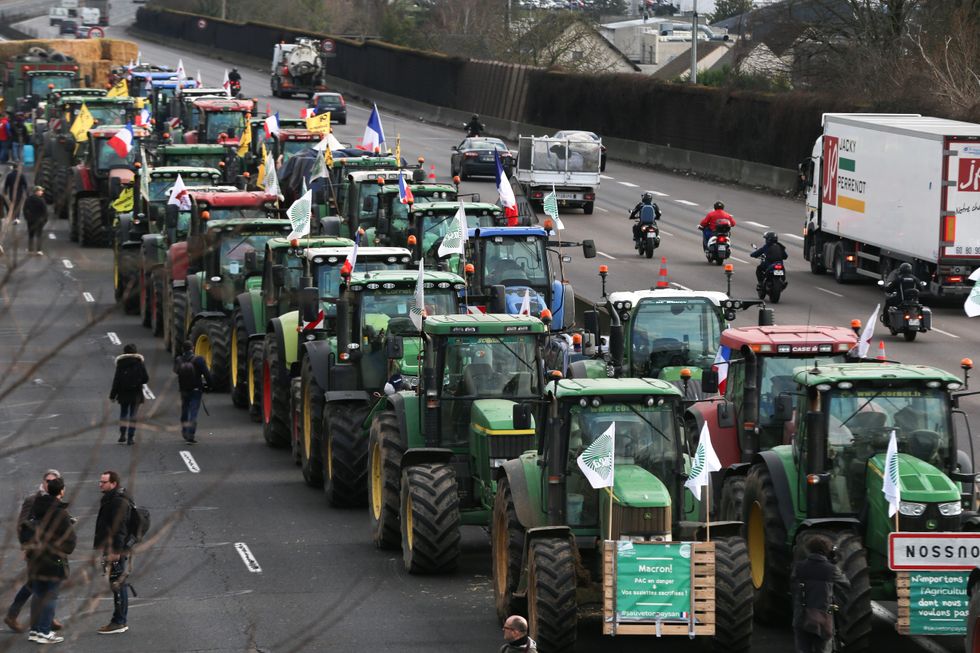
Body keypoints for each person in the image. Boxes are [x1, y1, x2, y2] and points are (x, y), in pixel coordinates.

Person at [5, 470, 63, 634]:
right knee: (36, 584)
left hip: (48, 550)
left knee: (39, 583)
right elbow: (22, 525)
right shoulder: (33, 500)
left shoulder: (55, 497)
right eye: (48, 480)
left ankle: (45, 617)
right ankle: (16, 616)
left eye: (54, 481)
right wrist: (26, 547)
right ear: (43, 481)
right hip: (35, 550)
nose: (50, 483)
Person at [26, 476, 76, 645]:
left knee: (39, 593)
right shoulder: (60, 513)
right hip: (53, 559)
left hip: (35, 557)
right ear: (61, 491)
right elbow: (70, 540)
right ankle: (45, 631)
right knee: (51, 596)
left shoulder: (36, 507)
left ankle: (34, 630)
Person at [791, 534, 849, 653]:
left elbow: (793, 584)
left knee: (802, 648)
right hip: (823, 618)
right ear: (826, 550)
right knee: (823, 649)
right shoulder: (831, 569)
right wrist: (834, 562)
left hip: (801, 617)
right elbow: (846, 583)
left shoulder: (799, 567)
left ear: (809, 549)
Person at [94, 471, 132, 635]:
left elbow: (120, 529)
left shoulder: (117, 502)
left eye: (104, 482)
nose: (100, 484)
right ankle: (119, 619)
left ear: (114, 483)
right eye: (100, 481)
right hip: (111, 547)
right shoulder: (112, 499)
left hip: (115, 549)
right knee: (116, 583)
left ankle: (119, 621)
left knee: (117, 584)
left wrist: (116, 551)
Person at [109, 344, 150, 445]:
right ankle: (130, 437)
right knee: (133, 415)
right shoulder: (139, 363)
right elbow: (146, 378)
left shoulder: (120, 363)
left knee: (123, 413)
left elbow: (116, 380)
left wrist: (112, 395)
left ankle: (122, 434)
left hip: (123, 393)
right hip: (136, 393)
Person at [174, 340, 212, 444]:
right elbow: (207, 374)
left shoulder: (179, 359)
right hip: (196, 390)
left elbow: (176, 371)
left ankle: (184, 431)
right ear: (193, 348)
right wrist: (210, 386)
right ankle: (191, 434)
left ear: (182, 349)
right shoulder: (199, 360)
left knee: (185, 410)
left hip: (184, 390)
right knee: (193, 411)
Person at [23, 185, 47, 255]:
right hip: (39, 220)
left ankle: (30, 249)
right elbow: (45, 211)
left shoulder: (28, 199)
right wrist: (44, 220)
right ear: (37, 192)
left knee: (31, 235)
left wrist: (26, 217)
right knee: (39, 235)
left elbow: (24, 209)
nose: (42, 192)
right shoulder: (41, 200)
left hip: (30, 219)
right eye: (41, 191)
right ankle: (39, 250)